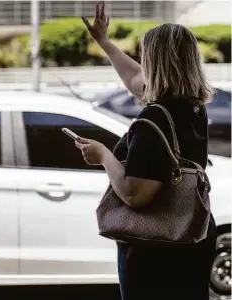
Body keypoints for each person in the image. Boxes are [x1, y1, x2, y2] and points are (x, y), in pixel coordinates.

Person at [76, 3, 217, 300]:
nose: (142, 61)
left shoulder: (154, 118)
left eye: (146, 55)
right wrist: (104, 41)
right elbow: (133, 79)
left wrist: (103, 155)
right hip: (194, 233)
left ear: (156, 61)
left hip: (155, 247)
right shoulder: (193, 107)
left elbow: (134, 194)